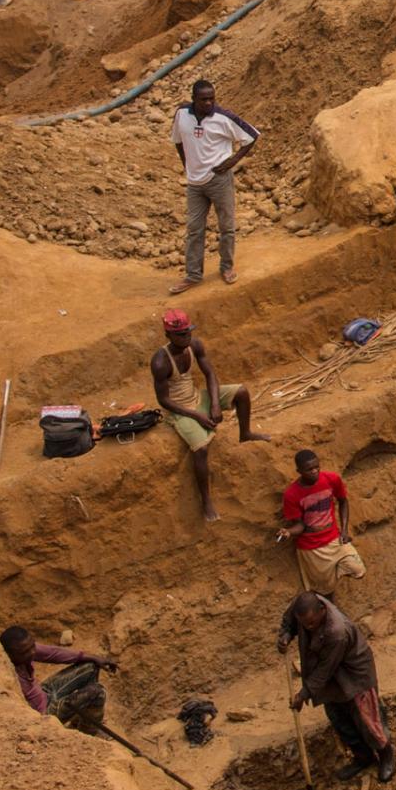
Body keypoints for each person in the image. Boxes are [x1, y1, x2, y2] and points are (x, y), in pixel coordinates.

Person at [153, 308, 267, 522]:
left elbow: (210, 374)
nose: (186, 337)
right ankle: (205, 500)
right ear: (168, 335)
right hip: (179, 410)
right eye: (180, 334)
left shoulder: (194, 345)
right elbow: (164, 400)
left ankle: (246, 433)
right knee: (201, 449)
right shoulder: (160, 361)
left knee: (241, 392)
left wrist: (215, 403)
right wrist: (196, 416)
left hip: (199, 398)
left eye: (188, 332)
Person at [279, 591, 395, 782]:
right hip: (330, 678)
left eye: (311, 624)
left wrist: (304, 694)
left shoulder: (337, 632)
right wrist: (285, 634)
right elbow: (289, 620)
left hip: (354, 675)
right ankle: (363, 757)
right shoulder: (302, 608)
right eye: (304, 625)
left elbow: (325, 669)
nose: (307, 628)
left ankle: (386, 755)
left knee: (367, 720)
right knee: (339, 718)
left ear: (323, 611)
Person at [170, 79, 256, 294]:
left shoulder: (223, 118)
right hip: (195, 183)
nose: (209, 103)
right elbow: (178, 141)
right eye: (204, 99)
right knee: (194, 230)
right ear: (194, 99)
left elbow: (252, 136)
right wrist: (187, 164)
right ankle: (192, 275)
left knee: (226, 226)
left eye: (212, 98)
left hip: (219, 180)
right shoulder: (181, 115)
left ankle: (226, 267)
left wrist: (232, 161)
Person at [277, 450, 366, 597]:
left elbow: (343, 501)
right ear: (299, 471)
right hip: (312, 548)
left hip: (334, 539)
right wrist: (288, 532)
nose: (315, 471)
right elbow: (300, 525)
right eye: (309, 469)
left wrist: (344, 531)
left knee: (358, 569)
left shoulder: (331, 479)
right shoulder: (292, 494)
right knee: (325, 592)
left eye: (316, 467)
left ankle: (335, 570)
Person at [0, 626, 118, 731]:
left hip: (45, 693)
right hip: (44, 713)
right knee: (97, 692)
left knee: (90, 666)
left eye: (32, 646)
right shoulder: (10, 674)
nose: (32, 652)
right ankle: (88, 732)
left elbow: (54, 653)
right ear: (9, 655)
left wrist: (93, 657)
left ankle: (83, 719)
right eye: (25, 652)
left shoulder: (25, 651)